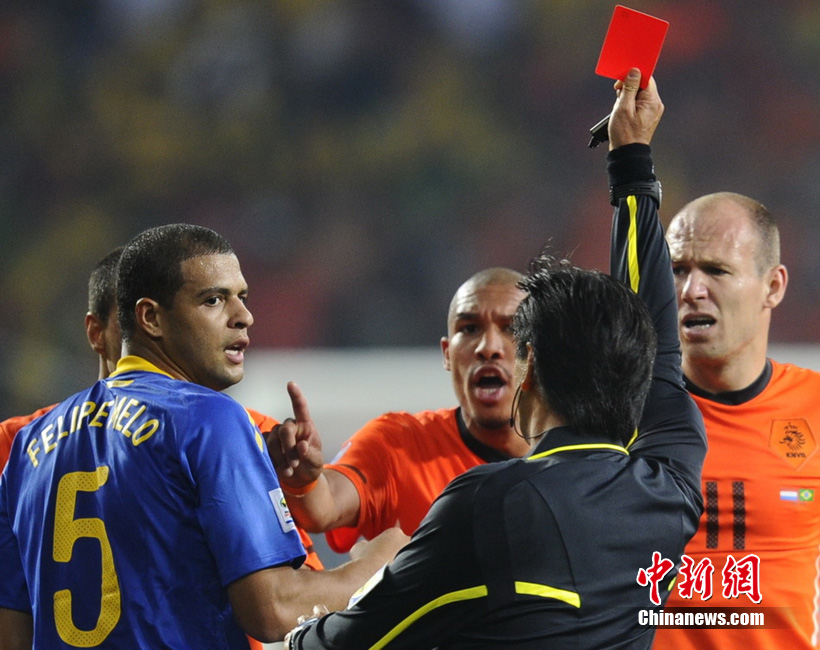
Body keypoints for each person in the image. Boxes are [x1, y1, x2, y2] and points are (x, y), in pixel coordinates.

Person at [284, 69, 707, 649]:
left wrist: (357, 585)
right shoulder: (670, 486)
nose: (489, 347)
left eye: (510, 334)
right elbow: (658, 344)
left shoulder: (489, 502)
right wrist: (632, 160)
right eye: (469, 328)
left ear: (529, 367)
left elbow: (341, 644)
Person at [0, 224, 406, 649]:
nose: (243, 316)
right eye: (213, 299)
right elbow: (273, 609)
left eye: (242, 297)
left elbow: (11, 637)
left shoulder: (28, 445)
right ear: (150, 318)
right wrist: (379, 564)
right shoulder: (209, 419)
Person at [653, 192, 820, 648]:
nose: (691, 290)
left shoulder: (814, 407)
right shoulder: (621, 409)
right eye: (678, 269)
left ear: (773, 286)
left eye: (716, 270)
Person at [269, 267, 531, 554]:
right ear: (447, 354)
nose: (488, 347)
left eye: (511, 328)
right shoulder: (397, 446)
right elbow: (326, 505)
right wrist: (303, 481)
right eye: (469, 328)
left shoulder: (570, 458)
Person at [0, 247, 124, 471]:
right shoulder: (13, 445)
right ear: (96, 333)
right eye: (130, 321)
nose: (154, 332)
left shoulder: (190, 435)